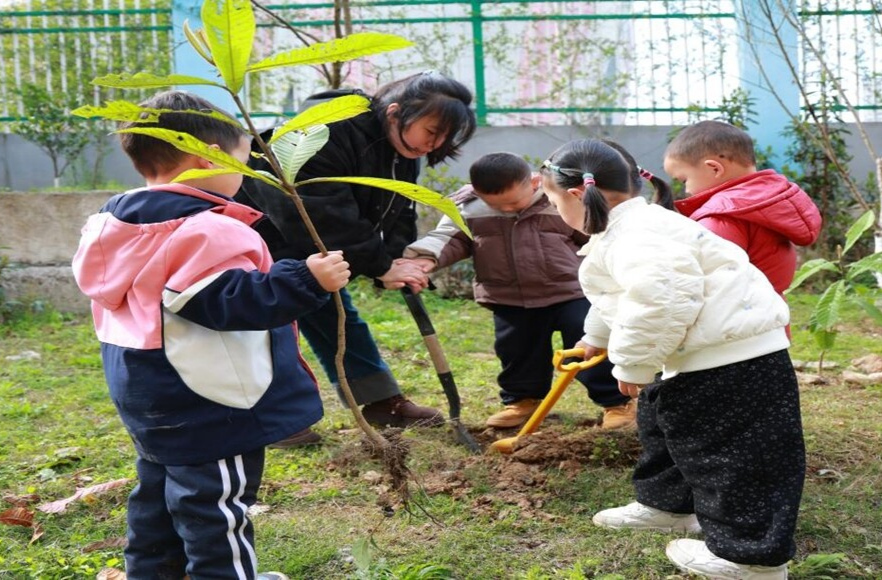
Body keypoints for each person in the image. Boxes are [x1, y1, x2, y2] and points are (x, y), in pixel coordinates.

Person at [71, 90, 351, 580]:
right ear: (208, 159)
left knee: (158, 493)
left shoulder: (111, 226)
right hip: (207, 394)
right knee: (214, 503)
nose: (244, 176)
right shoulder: (207, 229)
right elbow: (229, 300)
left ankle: (153, 573)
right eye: (242, 161)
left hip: (145, 387)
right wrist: (307, 279)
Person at [540, 138, 805, 579]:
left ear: (575, 194)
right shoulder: (632, 228)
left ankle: (750, 558)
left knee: (732, 457)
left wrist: (631, 365)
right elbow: (621, 296)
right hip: (704, 355)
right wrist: (594, 339)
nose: (553, 211)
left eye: (550, 200)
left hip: (731, 363)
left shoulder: (640, 235)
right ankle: (668, 506)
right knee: (665, 429)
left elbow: (659, 300)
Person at [236, 71, 477, 435]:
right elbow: (320, 209)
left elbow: (396, 207)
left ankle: (380, 401)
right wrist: (379, 265)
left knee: (335, 311)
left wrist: (397, 260)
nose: (434, 144)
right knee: (273, 323)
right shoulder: (326, 130)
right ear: (396, 112)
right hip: (263, 231)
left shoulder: (398, 144)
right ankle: (275, 420)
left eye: (444, 137)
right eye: (431, 131)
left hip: (311, 238)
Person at [401, 152, 636, 429]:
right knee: (518, 352)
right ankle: (523, 400)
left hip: (570, 291)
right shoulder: (469, 208)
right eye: (497, 205)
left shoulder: (559, 203)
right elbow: (449, 239)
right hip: (508, 297)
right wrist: (425, 258)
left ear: (535, 182)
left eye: (514, 202)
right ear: (477, 192)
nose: (508, 209)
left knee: (587, 344)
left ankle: (615, 402)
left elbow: (594, 237)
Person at [664, 120, 822, 297]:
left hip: (732, 319)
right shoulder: (765, 205)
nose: (687, 190)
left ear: (714, 168)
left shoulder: (721, 217)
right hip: (769, 316)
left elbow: (702, 282)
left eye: (684, 180)